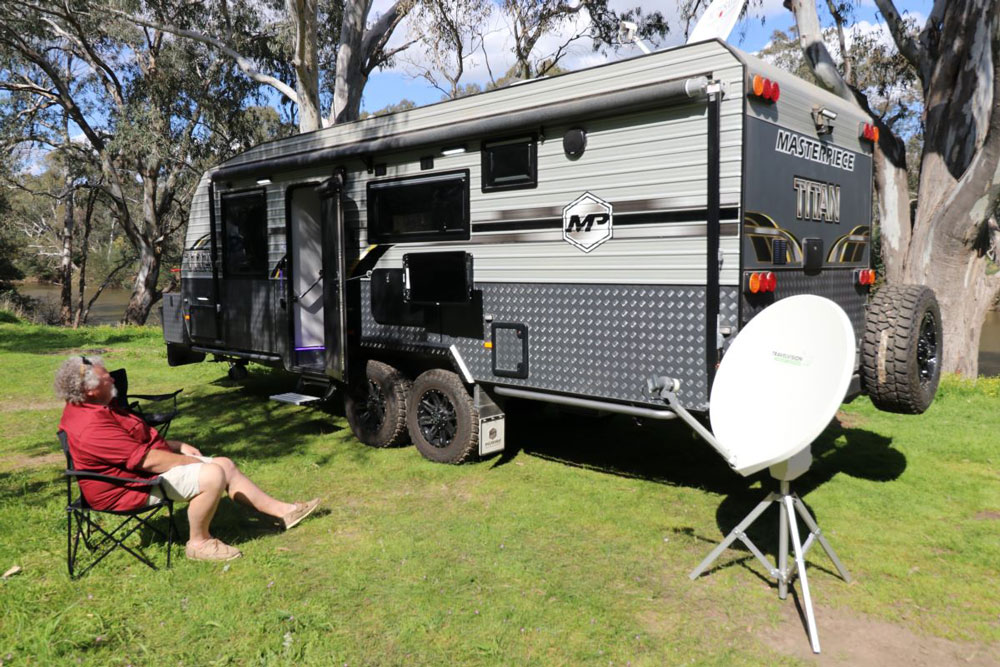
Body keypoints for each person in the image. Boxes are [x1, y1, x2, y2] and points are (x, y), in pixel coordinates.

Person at [55, 355, 319, 562]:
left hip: (137, 473)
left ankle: (284, 513)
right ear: (89, 390)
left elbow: (135, 445)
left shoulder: (98, 406)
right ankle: (199, 543)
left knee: (224, 463)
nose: (112, 379)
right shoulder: (91, 424)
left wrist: (178, 445)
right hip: (125, 488)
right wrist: (191, 463)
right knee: (213, 473)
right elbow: (144, 461)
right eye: (105, 378)